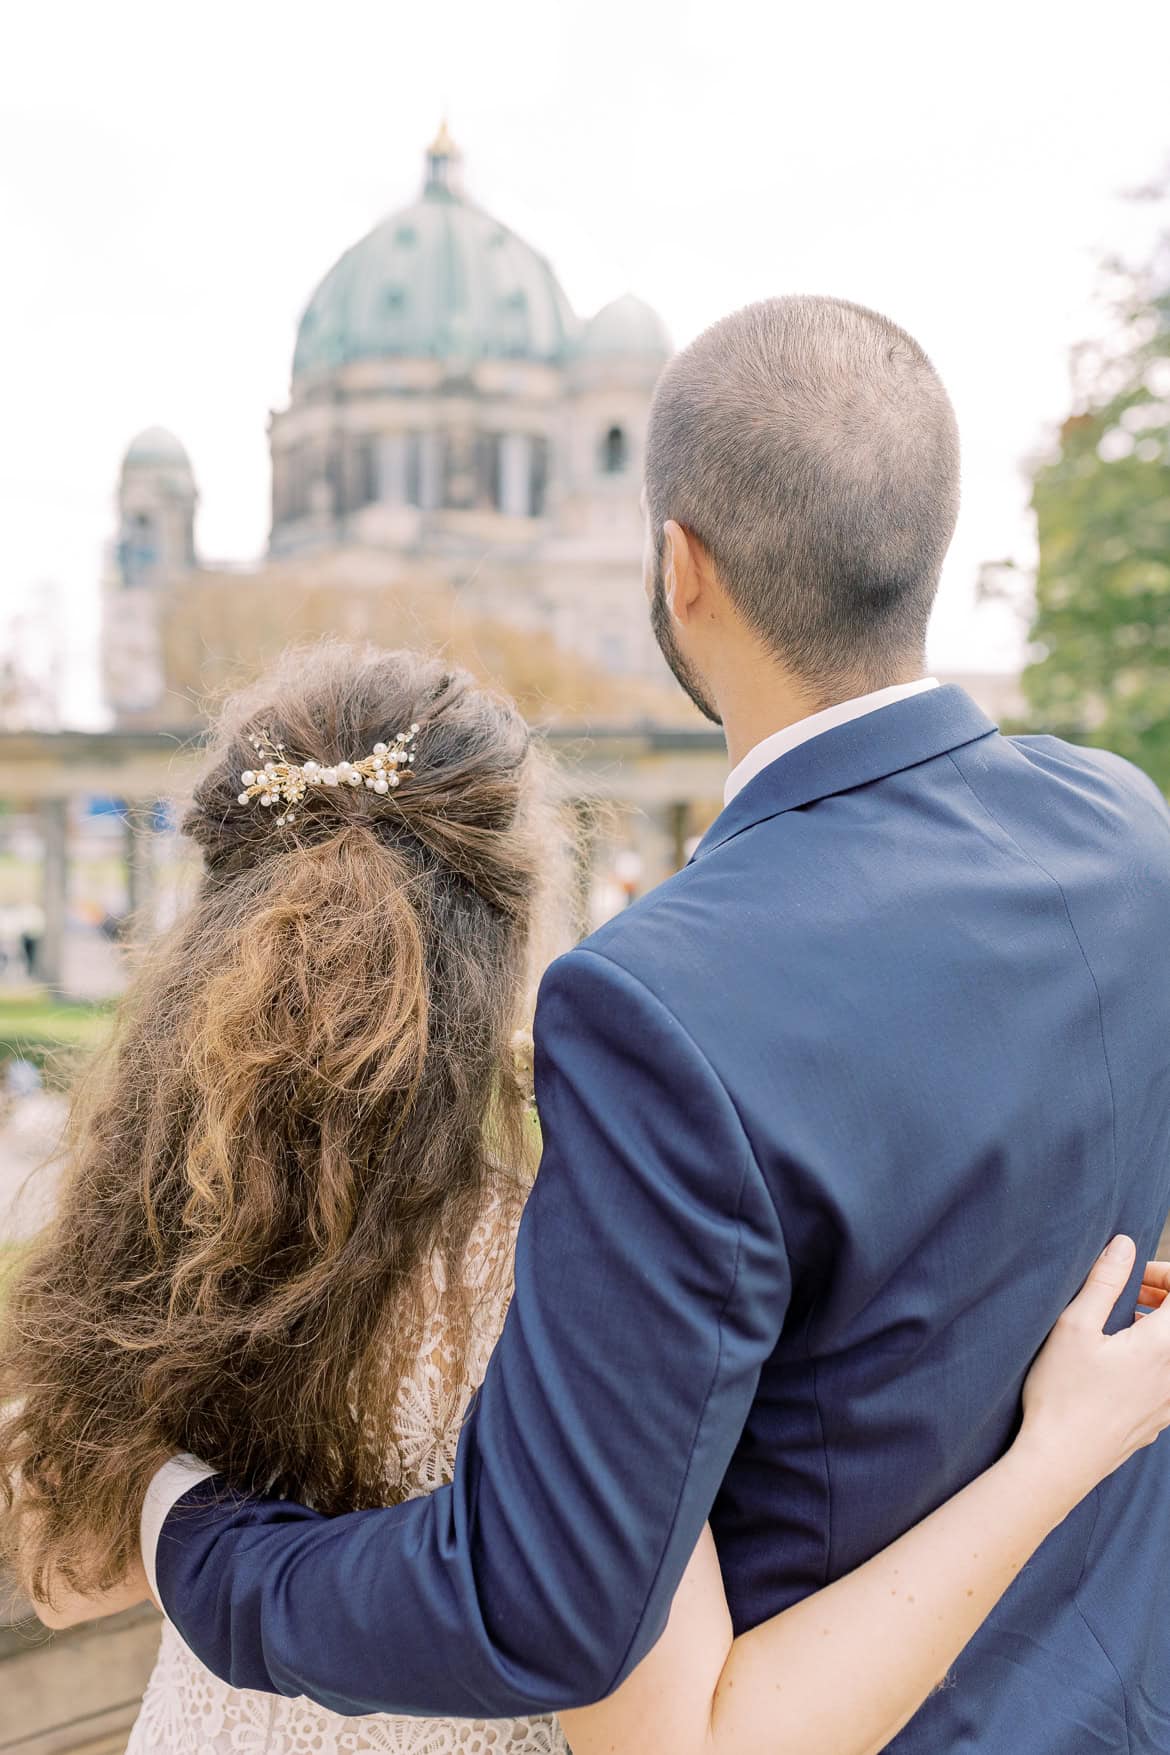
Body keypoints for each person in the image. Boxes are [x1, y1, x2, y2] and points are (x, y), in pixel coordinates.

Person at [11, 293, 1170, 1752]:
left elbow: (541, 1606)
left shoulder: (657, 1006)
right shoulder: (1124, 827)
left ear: (678, 567)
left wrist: (183, 1528)